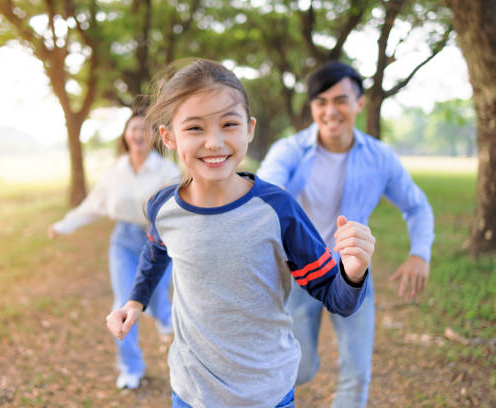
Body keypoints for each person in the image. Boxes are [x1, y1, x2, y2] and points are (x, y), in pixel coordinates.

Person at [106, 59, 376, 408]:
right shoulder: (164, 208)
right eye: (195, 128)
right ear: (169, 137)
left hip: (267, 393)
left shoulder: (278, 210)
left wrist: (353, 272)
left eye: (228, 124)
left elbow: (336, 296)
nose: (214, 142)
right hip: (191, 393)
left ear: (248, 129)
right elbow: (156, 252)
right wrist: (135, 301)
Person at [257, 61, 435, 408]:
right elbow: (266, 191)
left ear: (360, 104)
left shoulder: (379, 156)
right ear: (311, 108)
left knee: (356, 373)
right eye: (320, 102)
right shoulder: (290, 150)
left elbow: (417, 206)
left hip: (352, 275)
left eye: (340, 100)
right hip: (299, 273)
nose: (330, 111)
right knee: (299, 367)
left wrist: (420, 253)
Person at [49, 110, 179, 390]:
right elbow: (93, 205)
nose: (137, 134)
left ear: (155, 135)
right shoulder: (116, 172)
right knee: (123, 302)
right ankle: (131, 367)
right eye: (133, 128)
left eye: (144, 129)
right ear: (125, 134)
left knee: (156, 298)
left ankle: (163, 315)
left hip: (157, 242)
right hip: (123, 242)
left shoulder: (167, 172)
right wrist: (63, 226)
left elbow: (178, 210)